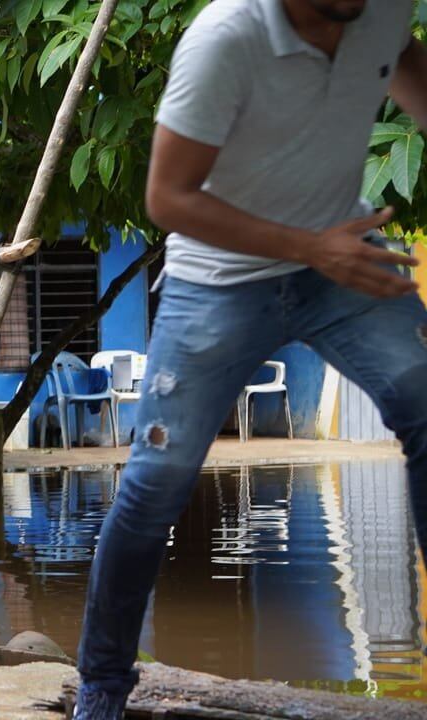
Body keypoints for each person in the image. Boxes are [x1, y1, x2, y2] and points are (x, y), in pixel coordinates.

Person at [74, 0, 427, 717]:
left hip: (339, 263)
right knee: (155, 483)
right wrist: (310, 247)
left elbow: (412, 70)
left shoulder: (384, 11)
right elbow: (167, 198)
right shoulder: (225, 38)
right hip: (218, 282)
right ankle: (103, 685)